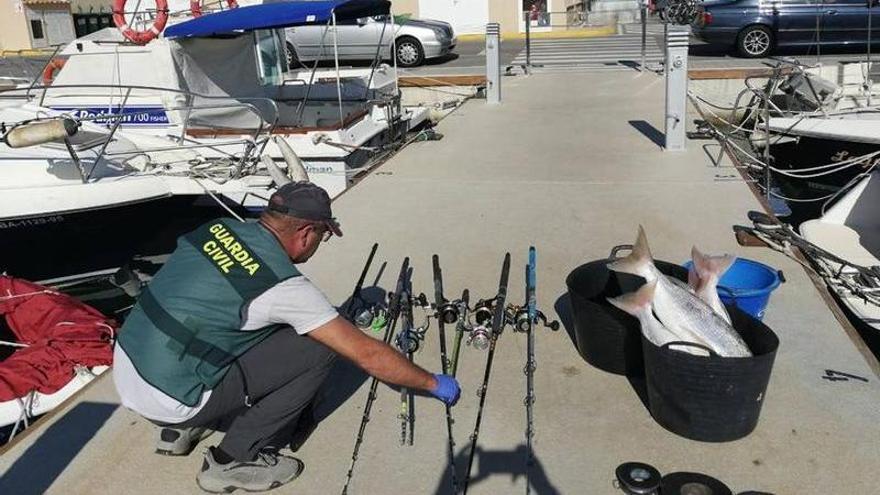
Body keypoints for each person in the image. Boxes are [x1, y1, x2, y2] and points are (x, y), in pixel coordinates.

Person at [112, 182, 461, 493]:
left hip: (130, 364)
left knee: (248, 321)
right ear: (306, 233)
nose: (319, 244)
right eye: (324, 237)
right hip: (172, 397)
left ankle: (189, 426)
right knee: (318, 346)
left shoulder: (217, 228)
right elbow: (367, 354)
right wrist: (432, 383)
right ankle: (230, 460)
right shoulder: (283, 287)